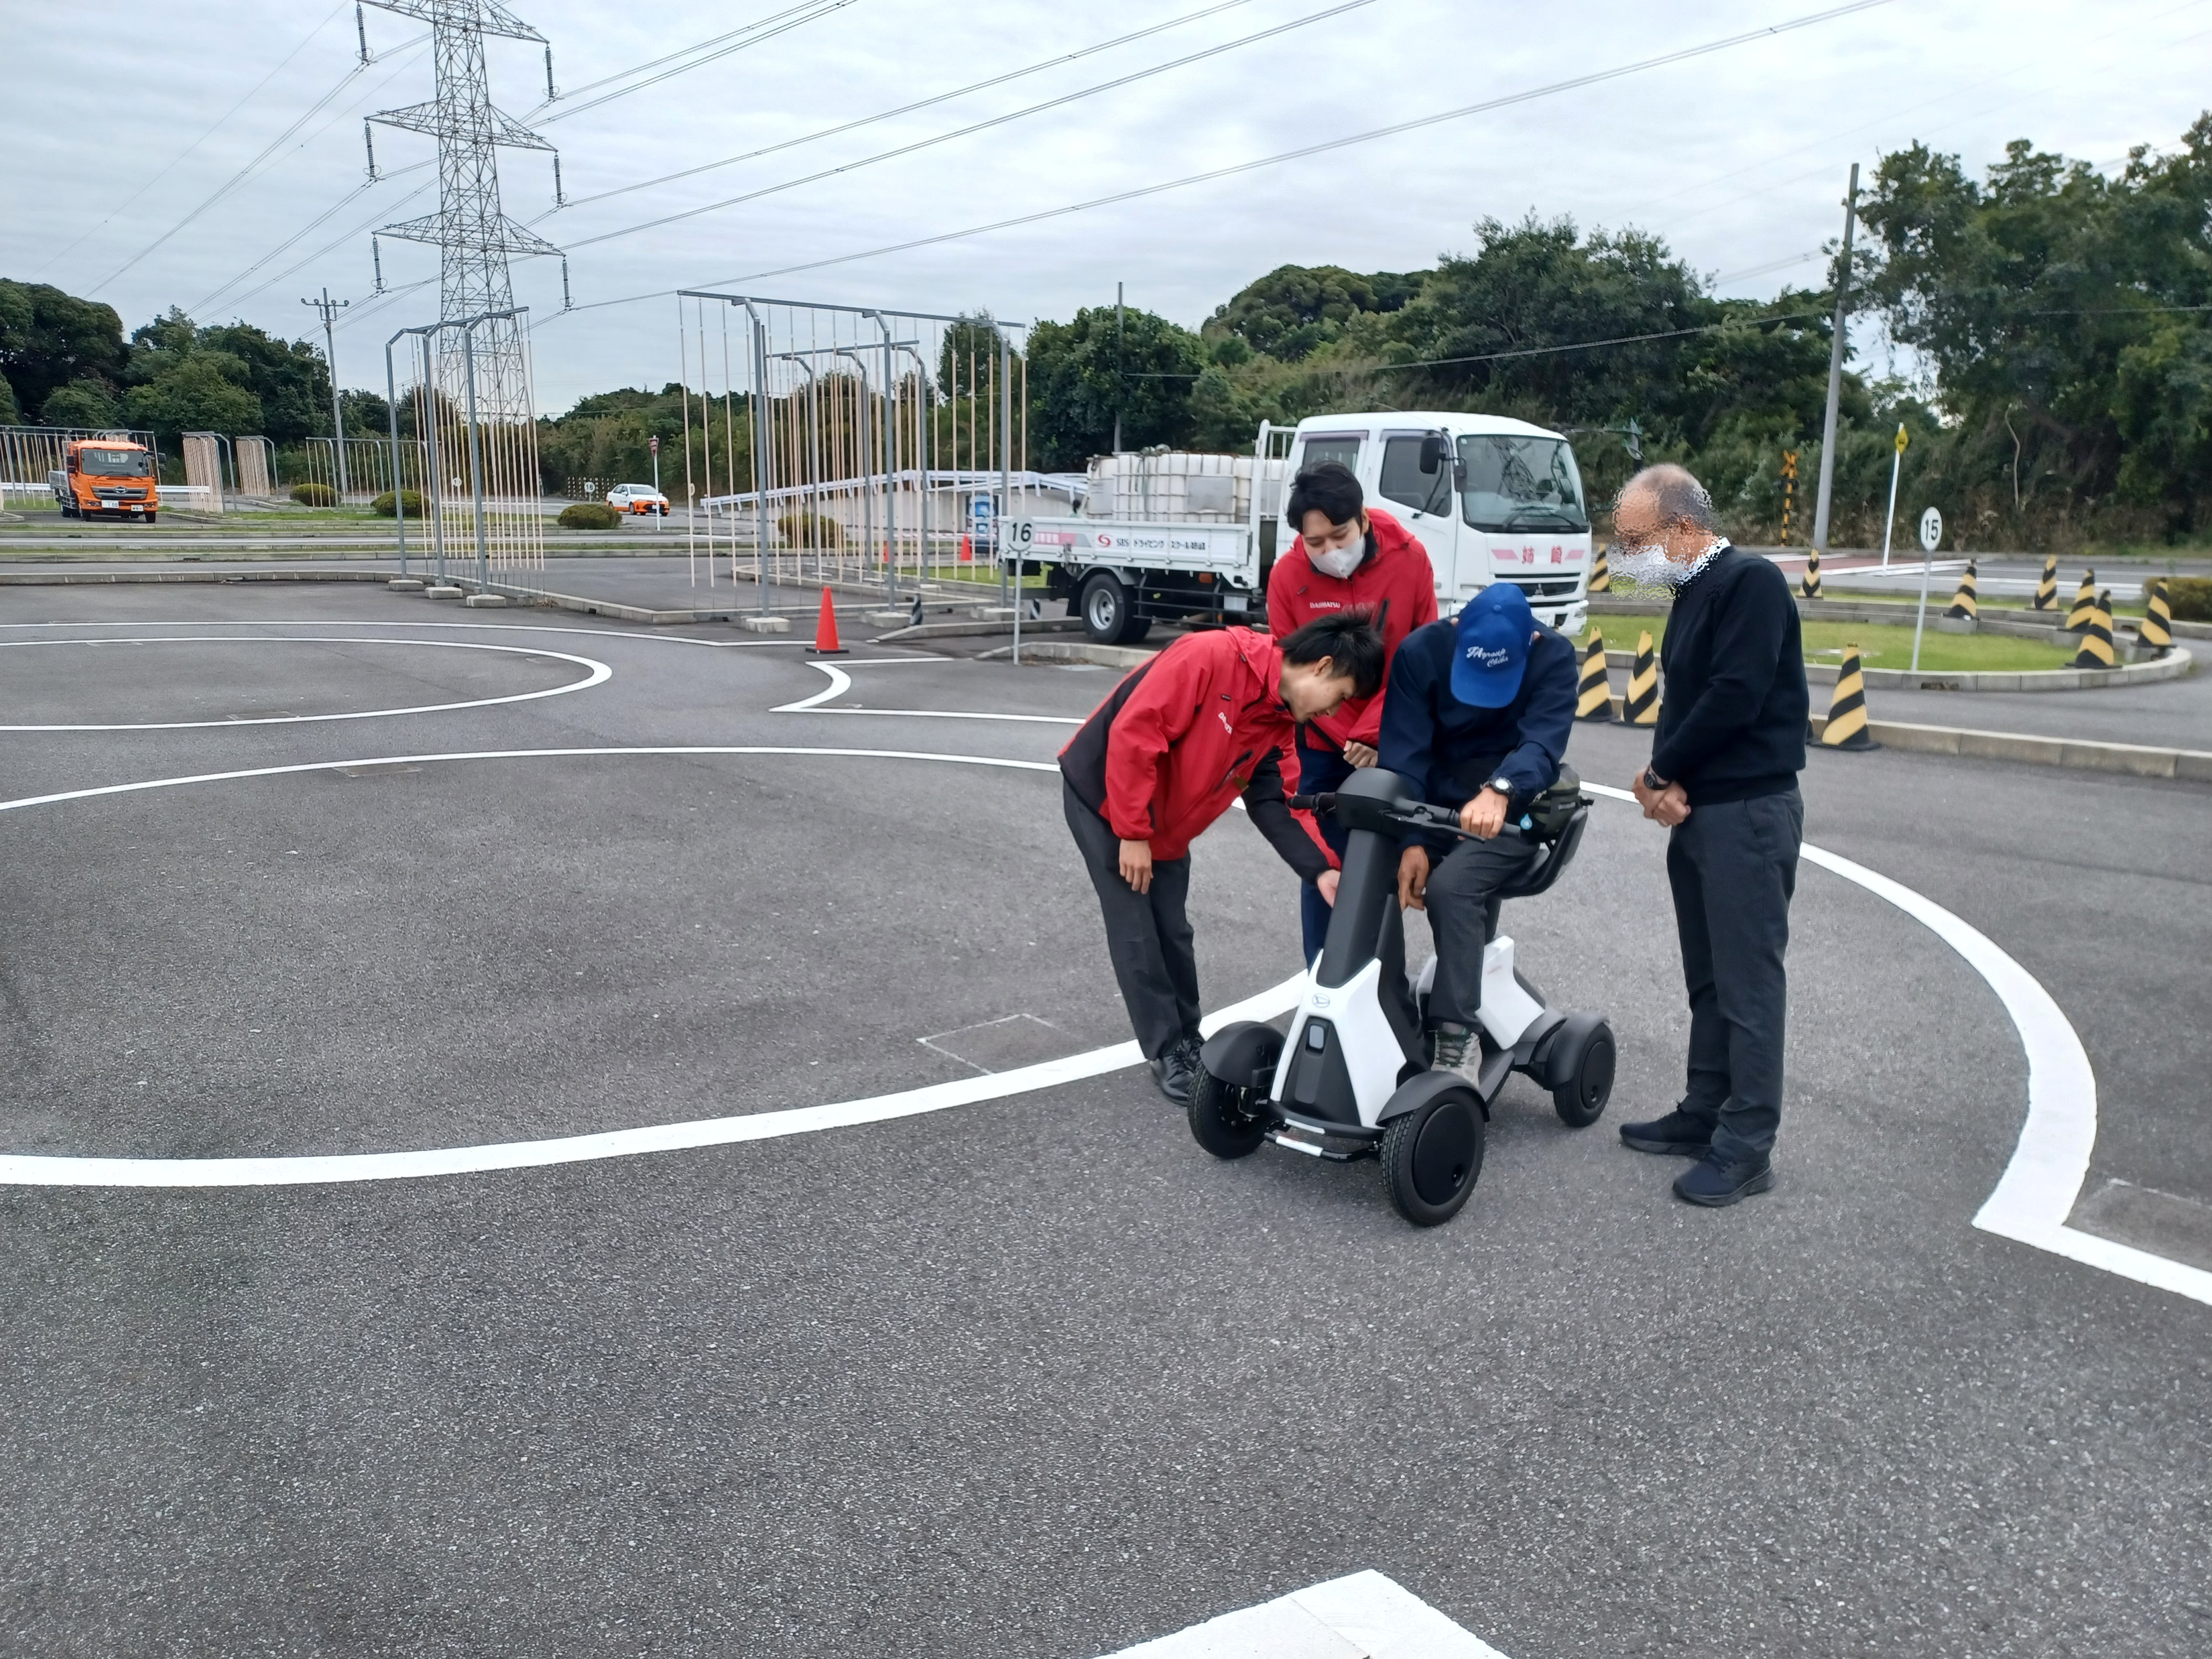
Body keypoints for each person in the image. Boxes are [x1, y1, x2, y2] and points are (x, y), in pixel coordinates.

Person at [1061, 613, 1387, 1104]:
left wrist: (1322, 868)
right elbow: (1135, 733)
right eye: (1340, 696)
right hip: (1107, 798)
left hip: (1163, 822)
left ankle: (1188, 1037)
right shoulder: (1210, 656)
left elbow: (1278, 804)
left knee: (1173, 929)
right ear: (1321, 666)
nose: (1332, 711)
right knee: (1137, 929)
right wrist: (1131, 832)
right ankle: (1166, 1049)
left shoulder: (1277, 723)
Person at [1611, 463, 1808, 1207]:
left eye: (1637, 540)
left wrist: (1660, 771)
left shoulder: (1750, 583)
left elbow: (1736, 695)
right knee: (1710, 979)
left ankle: (1747, 1145)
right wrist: (1664, 783)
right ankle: (1705, 1109)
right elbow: (1682, 702)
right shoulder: (1691, 591)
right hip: (1701, 812)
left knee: (1749, 985)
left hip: (1749, 812)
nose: (1628, 555)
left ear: (1685, 526)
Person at [1379, 582, 1578, 1069]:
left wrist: (1502, 788)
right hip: (1433, 804)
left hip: (1513, 809)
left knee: (1452, 888)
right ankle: (1383, 1009)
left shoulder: (1552, 656)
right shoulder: (1421, 652)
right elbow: (1405, 752)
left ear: (1530, 639)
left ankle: (1456, 1038)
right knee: (1366, 867)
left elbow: (1542, 744)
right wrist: (1412, 840)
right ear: (1456, 628)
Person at [1267, 460, 1438, 966]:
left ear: (1363, 518)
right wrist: (1349, 737)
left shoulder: (1410, 559)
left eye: (1339, 536)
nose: (1329, 552)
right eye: (1315, 543)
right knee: (1325, 862)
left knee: (1383, 858)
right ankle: (1322, 974)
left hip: (1393, 733)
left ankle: (1381, 976)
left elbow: (1419, 658)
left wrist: (1375, 733)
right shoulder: (1287, 576)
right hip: (1322, 742)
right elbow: (1294, 676)